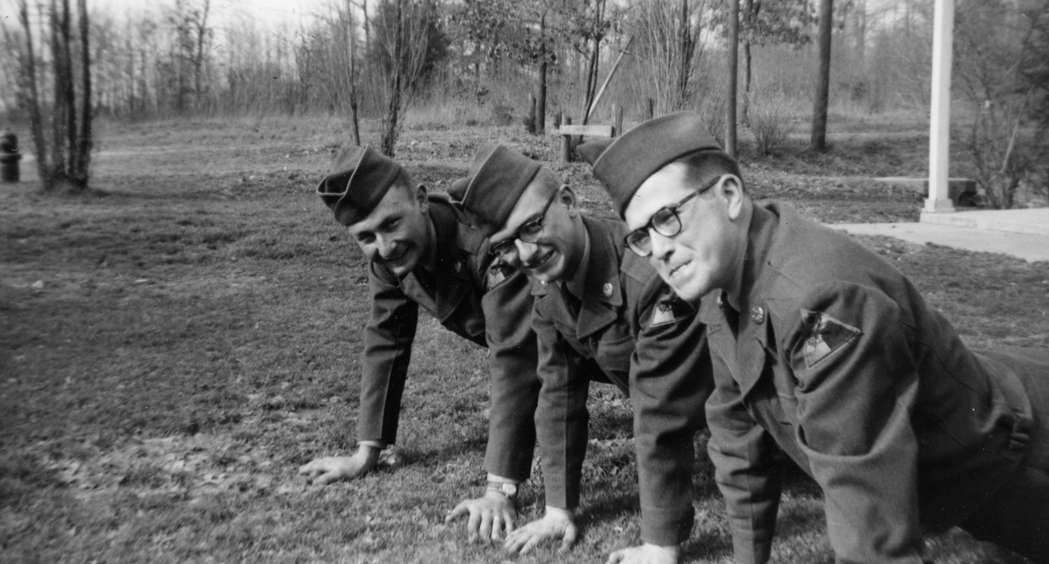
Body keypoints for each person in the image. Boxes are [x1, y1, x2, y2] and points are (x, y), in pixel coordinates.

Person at [588, 111, 1049, 564]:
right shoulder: (722, 283)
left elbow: (865, 501)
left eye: (668, 218)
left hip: (1018, 462)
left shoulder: (822, 299)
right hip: (963, 470)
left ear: (729, 195)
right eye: (642, 237)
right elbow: (737, 435)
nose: (659, 249)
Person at [450, 144, 712, 561]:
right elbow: (558, 394)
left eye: (532, 226)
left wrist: (661, 545)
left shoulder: (644, 274)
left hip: (758, 414)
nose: (526, 253)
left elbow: (661, 410)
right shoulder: (545, 286)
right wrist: (558, 509)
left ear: (568, 201)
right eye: (504, 246)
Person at [301, 144, 540, 544]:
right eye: (366, 237)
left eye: (392, 223)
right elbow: (386, 338)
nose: (385, 246)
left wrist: (499, 489)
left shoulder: (485, 240)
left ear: (422, 200)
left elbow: (515, 358)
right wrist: (366, 451)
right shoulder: (387, 258)